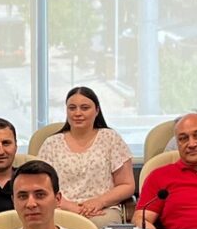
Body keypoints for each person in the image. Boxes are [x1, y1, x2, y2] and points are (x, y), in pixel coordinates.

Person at [35, 86, 133, 219]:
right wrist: (70, 206)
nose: (77, 113)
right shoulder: (51, 144)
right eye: (72, 108)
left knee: (101, 223)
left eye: (85, 108)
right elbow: (40, 185)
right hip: (60, 208)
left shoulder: (110, 138)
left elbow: (126, 185)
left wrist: (100, 201)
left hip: (102, 209)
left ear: (97, 110)